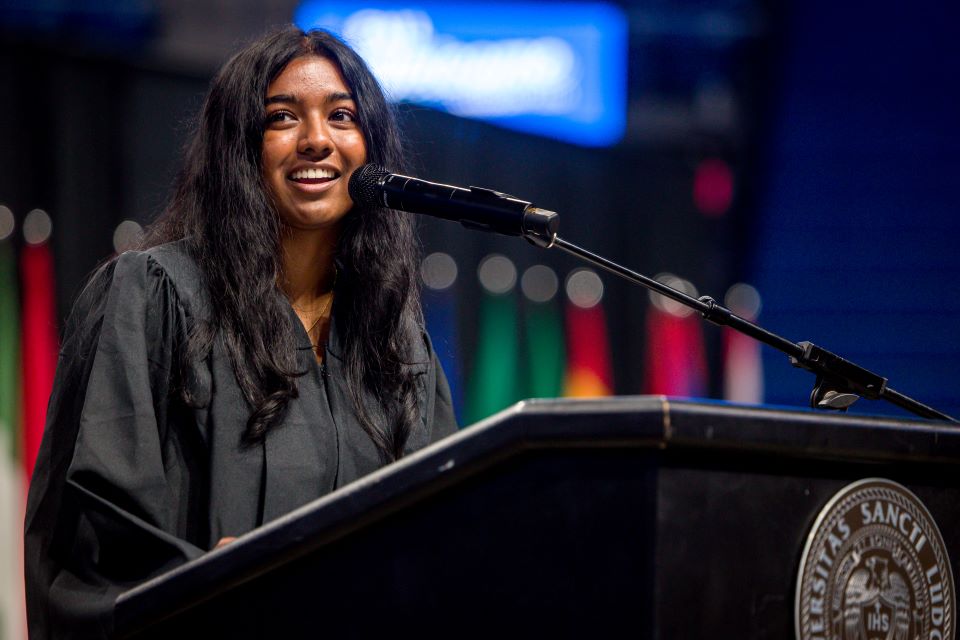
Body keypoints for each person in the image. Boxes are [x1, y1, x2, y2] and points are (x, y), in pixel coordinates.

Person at [24, 25, 458, 639]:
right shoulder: (154, 295)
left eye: (342, 115)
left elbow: (446, 528)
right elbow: (99, 537)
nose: (316, 141)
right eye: (282, 117)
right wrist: (224, 584)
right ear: (240, 148)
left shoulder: (393, 337)